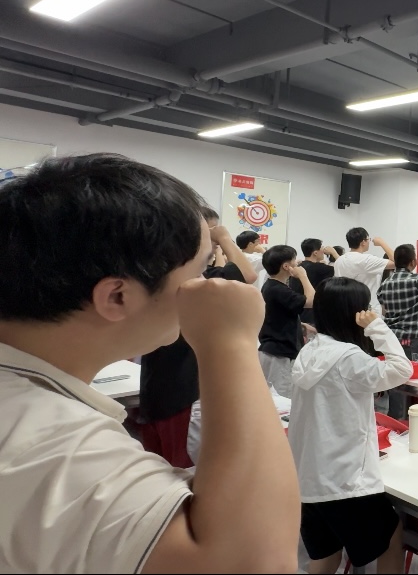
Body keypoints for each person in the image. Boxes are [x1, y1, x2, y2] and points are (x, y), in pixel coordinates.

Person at [0, 154, 298, 572]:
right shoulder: (55, 450)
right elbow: (255, 562)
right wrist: (231, 341)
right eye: (198, 271)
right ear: (118, 296)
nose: (206, 286)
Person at [288, 277, 414, 575]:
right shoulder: (349, 358)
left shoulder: (309, 351)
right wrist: (377, 328)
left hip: (308, 478)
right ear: (354, 313)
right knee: (391, 535)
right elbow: (402, 369)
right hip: (344, 482)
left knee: (325, 556)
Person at [140, 206, 258, 468]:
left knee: (161, 464)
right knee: (180, 468)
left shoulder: (170, 276)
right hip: (180, 394)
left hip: (159, 388)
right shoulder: (190, 285)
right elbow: (248, 275)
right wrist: (224, 238)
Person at [259, 244, 315, 396]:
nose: (297, 263)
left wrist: (301, 325)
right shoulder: (278, 289)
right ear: (286, 266)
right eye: (294, 260)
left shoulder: (271, 286)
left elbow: (276, 315)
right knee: (283, 397)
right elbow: (311, 300)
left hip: (273, 350)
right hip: (279, 353)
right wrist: (303, 276)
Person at [335, 227, 397, 313]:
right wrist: (382, 243)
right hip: (366, 309)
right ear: (363, 242)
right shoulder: (366, 260)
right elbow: (397, 262)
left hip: (346, 307)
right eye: (368, 239)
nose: (369, 242)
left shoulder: (339, 260)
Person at [291, 238, 337, 326]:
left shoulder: (298, 267)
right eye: (322, 248)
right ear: (315, 253)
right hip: (312, 313)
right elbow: (344, 268)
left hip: (298, 311)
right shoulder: (322, 269)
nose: (324, 251)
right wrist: (334, 253)